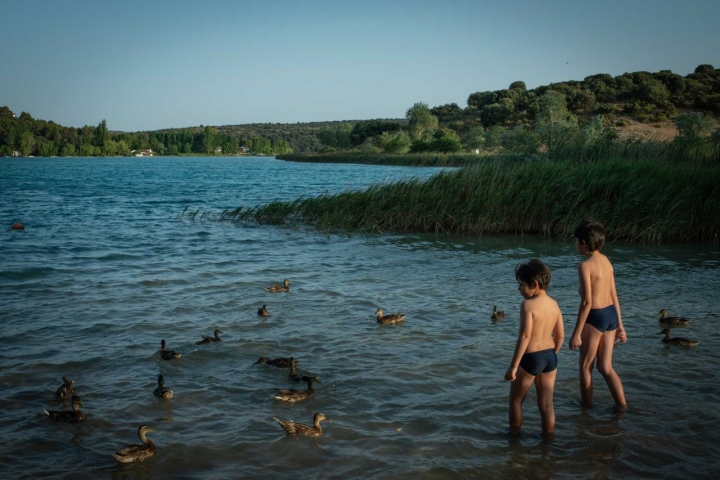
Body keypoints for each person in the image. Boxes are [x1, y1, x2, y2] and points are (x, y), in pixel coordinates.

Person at [569, 219, 627, 409]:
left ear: (584, 243)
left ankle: (586, 409)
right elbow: (614, 293)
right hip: (610, 314)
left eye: (576, 241)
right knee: (606, 367)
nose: (575, 245)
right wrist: (620, 324)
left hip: (594, 317)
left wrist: (576, 333)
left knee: (586, 367)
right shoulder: (607, 261)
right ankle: (622, 406)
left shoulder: (585, 266)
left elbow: (587, 302)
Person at [505, 258, 564, 438]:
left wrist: (513, 367)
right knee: (546, 405)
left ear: (534, 284)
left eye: (521, 285)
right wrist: (550, 355)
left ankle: (514, 440)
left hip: (531, 358)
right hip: (550, 358)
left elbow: (525, 337)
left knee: (515, 402)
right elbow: (560, 336)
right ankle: (548, 440)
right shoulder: (554, 304)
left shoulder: (528, 305)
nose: (519, 289)